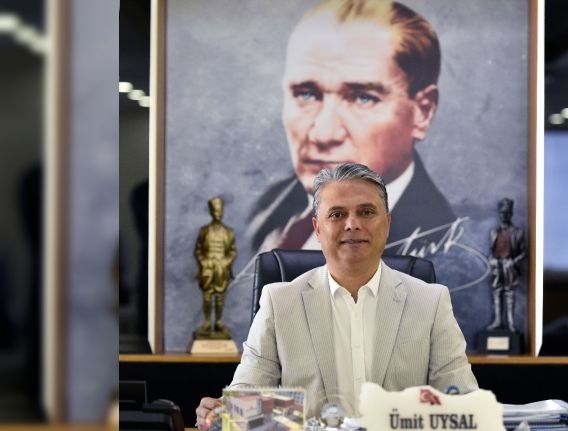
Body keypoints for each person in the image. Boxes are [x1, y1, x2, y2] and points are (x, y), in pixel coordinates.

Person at [196, 163, 477, 425]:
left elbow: (461, 403)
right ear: (317, 228)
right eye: (337, 214)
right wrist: (223, 412)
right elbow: (248, 396)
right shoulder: (279, 302)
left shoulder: (430, 302)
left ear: (387, 223)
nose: (352, 224)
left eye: (366, 212)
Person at [246, 0, 457, 255]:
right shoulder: (267, 211)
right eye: (306, 94)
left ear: (423, 112)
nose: (323, 134)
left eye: (363, 98)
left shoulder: (446, 248)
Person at [193, 197, 238, 335]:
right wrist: (203, 262)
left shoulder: (229, 232)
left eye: (220, 211)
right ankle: (207, 322)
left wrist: (226, 262)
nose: (218, 213)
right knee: (207, 295)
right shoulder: (204, 231)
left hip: (221, 268)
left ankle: (218, 322)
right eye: (216, 211)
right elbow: (198, 250)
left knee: (220, 296)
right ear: (211, 212)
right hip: (207, 268)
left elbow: (232, 251)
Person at [486, 198, 526, 332]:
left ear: (511, 213)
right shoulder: (494, 232)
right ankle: (498, 321)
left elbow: (523, 253)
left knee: (510, 294)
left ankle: (510, 323)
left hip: (509, 266)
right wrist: (492, 260)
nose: (505, 215)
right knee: (497, 293)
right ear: (499, 213)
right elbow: (491, 251)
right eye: (502, 212)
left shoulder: (518, 232)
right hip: (497, 266)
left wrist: (513, 262)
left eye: (507, 212)